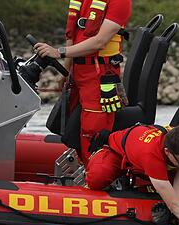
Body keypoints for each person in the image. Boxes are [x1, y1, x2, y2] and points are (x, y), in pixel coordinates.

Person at [34, 0, 132, 164]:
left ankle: (95, 177)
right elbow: (71, 36)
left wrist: (58, 52)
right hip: (77, 73)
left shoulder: (120, 2)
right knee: (75, 128)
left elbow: (100, 41)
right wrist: (65, 73)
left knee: (92, 133)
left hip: (99, 75)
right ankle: (83, 173)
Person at [86, 124, 179, 225]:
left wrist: (174, 217)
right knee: (97, 179)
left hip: (152, 156)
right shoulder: (152, 155)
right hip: (119, 151)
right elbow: (174, 204)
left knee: (173, 189)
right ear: (167, 152)